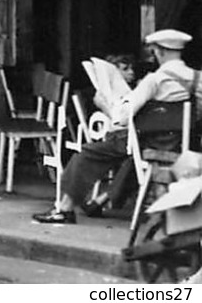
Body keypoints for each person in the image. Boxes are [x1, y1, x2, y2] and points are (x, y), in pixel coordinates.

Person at [34, 29, 200, 224]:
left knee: (88, 154)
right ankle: (101, 200)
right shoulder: (198, 78)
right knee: (133, 160)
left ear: (160, 52)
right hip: (183, 145)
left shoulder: (154, 80)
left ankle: (64, 208)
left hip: (145, 142)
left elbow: (122, 117)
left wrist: (106, 104)